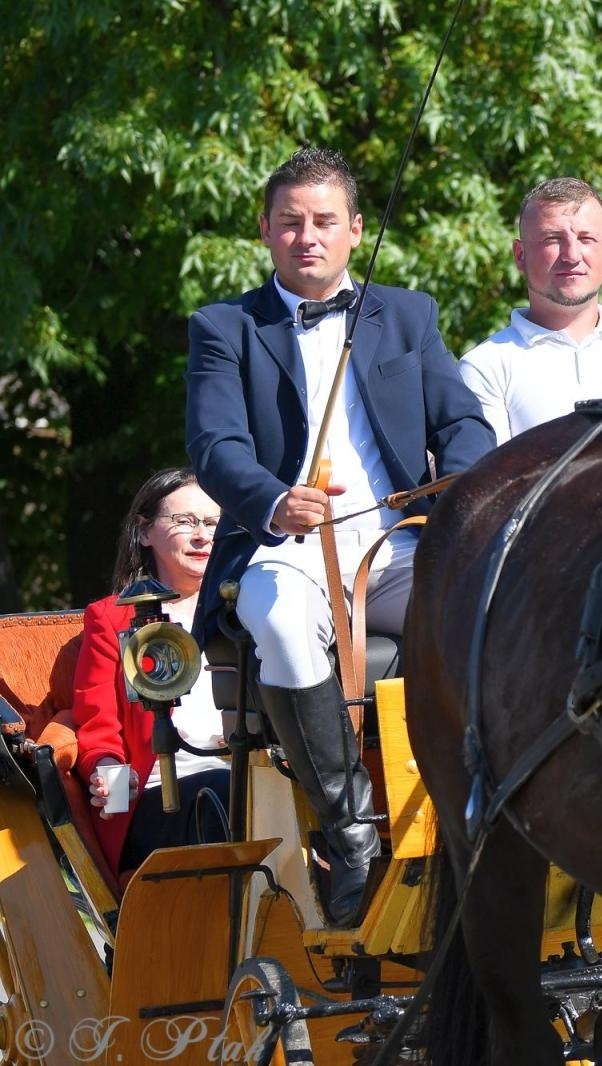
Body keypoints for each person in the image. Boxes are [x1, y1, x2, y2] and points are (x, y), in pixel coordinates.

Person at [186, 146, 494, 924]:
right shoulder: (225, 326)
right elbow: (215, 446)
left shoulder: (409, 314)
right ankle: (350, 832)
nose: (308, 236)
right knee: (281, 618)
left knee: (497, 611)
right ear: (265, 230)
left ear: (356, 230)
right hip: (284, 547)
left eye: (325, 221)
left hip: (399, 544)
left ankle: (494, 806)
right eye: (290, 222)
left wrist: (458, 506)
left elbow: (463, 423)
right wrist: (270, 499)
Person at [73, 467, 230, 881]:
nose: (203, 536)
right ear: (144, 532)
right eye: (185, 521)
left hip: (255, 775)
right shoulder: (111, 618)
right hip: (161, 794)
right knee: (224, 792)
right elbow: (98, 725)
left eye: (213, 522)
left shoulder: (250, 606)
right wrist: (110, 776)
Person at [458, 177, 602, 443]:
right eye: (553, 239)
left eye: (586, 238)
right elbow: (489, 483)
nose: (572, 255)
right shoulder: (485, 367)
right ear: (520, 255)